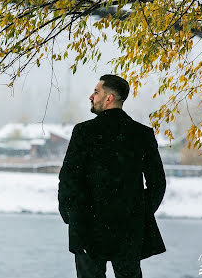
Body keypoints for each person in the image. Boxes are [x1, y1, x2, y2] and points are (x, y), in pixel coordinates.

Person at [58, 74, 167, 278]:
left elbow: (68, 179)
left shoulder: (83, 132)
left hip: (87, 225)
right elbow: (158, 183)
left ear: (109, 98)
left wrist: (70, 215)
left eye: (96, 92)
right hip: (128, 229)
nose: (91, 97)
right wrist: (140, 213)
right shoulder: (142, 134)